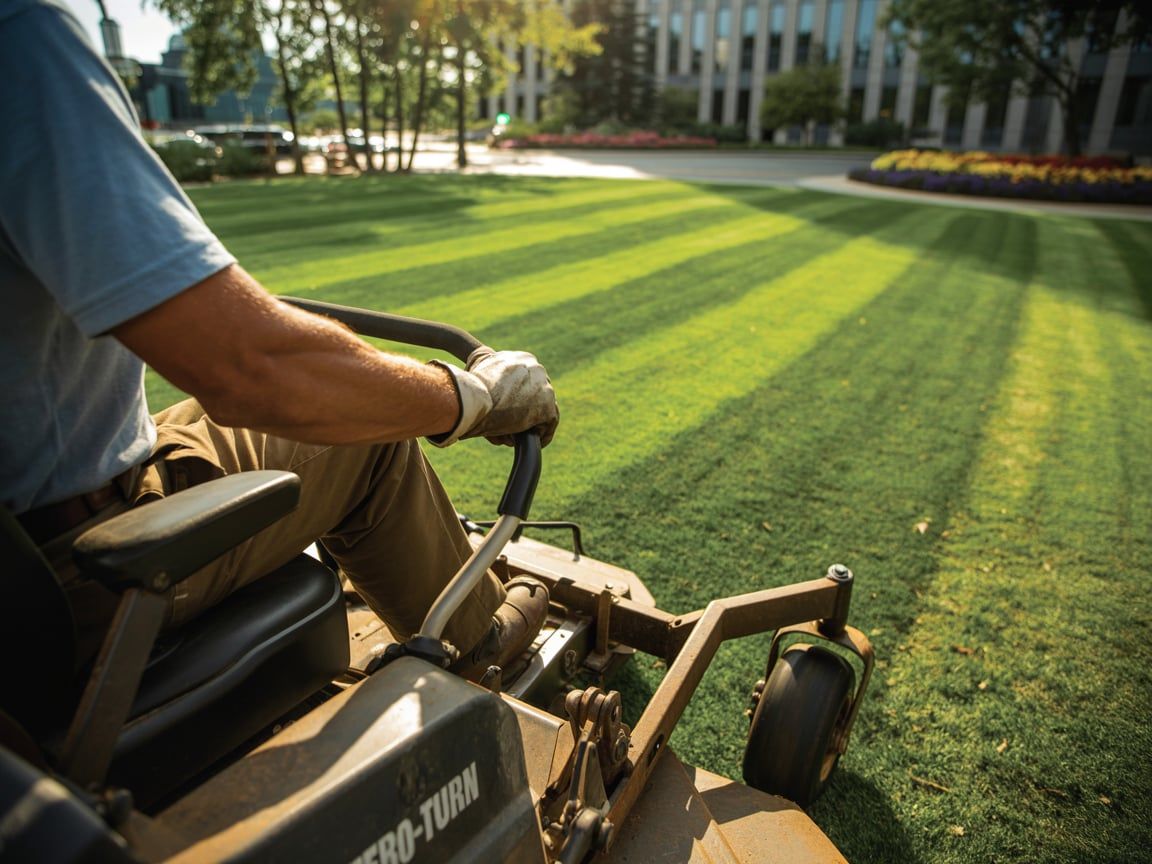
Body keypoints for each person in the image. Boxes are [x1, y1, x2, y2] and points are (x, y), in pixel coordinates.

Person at [0, 0, 558, 681]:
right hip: (71, 568)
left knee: (327, 382)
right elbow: (252, 370)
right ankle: (476, 645)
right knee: (364, 433)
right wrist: (475, 398)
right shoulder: (21, 36)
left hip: (29, 544)